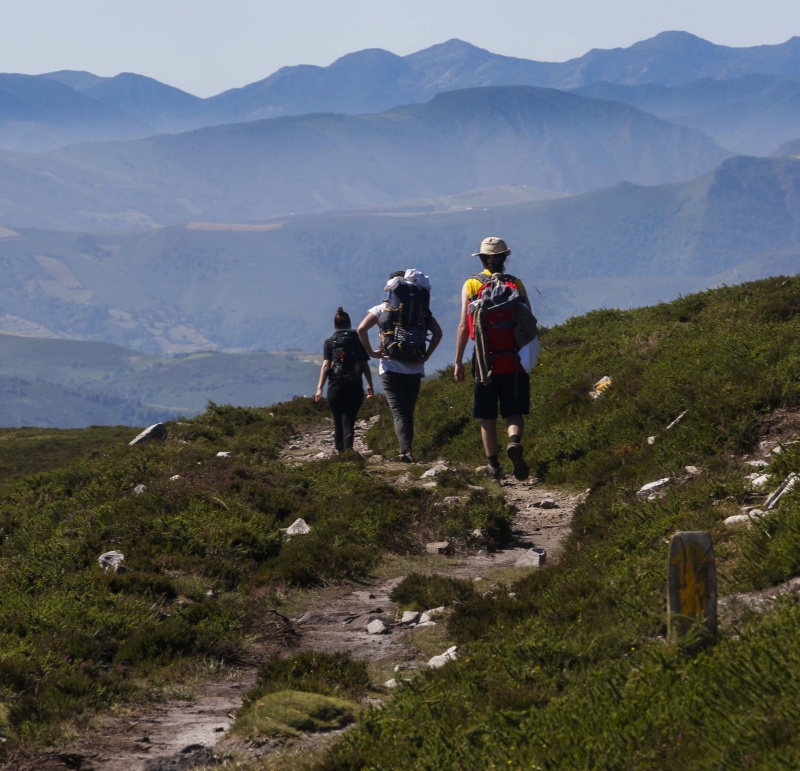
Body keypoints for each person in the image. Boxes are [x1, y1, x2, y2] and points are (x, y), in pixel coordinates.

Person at [454, 236, 532, 481]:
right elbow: (528, 319)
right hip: (514, 359)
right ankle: (513, 441)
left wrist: (458, 361)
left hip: (484, 360)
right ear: (505, 258)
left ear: (482, 259)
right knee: (514, 411)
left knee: (486, 416)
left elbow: (464, 328)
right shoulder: (515, 283)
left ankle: (493, 466)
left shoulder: (471, 285)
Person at [358, 270, 442, 463]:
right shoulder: (421, 310)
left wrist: (371, 353)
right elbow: (438, 333)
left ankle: (406, 451)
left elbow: (361, 329)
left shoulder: (380, 309)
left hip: (390, 367)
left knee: (399, 412)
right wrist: (427, 355)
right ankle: (408, 449)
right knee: (408, 412)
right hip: (414, 367)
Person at [314, 307, 374, 453]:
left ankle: (340, 453)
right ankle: (349, 451)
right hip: (354, 385)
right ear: (350, 324)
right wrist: (370, 385)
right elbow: (365, 365)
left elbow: (326, 366)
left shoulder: (329, 342)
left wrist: (319, 388)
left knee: (337, 420)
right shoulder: (356, 341)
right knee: (349, 419)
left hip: (335, 386)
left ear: (335, 326)